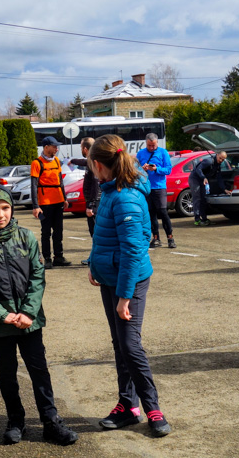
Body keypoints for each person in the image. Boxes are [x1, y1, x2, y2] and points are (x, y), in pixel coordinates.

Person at [0, 186, 79, 446]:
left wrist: (28, 312)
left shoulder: (26, 236)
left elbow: (37, 277)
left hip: (29, 322)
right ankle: (15, 421)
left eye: (5, 208)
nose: (0, 214)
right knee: (7, 372)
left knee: (39, 370)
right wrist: (2, 314)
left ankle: (51, 421)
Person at [87, 134, 172, 437]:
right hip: (111, 277)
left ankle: (152, 408)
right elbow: (105, 234)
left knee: (129, 344)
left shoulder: (125, 196)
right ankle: (127, 405)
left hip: (130, 280)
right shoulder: (111, 190)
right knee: (119, 343)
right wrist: (93, 263)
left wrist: (124, 296)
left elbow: (134, 251)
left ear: (98, 165)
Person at [31, 136, 71, 269]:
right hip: (45, 204)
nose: (56, 148)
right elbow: (33, 185)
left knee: (58, 230)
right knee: (46, 231)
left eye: (57, 146)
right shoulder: (37, 163)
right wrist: (36, 206)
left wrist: (64, 198)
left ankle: (58, 257)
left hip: (58, 201)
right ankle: (47, 258)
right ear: (46, 147)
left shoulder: (57, 162)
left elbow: (60, 181)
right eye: (54, 146)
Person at [136, 133, 174, 248]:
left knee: (163, 212)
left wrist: (157, 169)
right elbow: (135, 170)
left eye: (153, 145)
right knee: (150, 213)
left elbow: (168, 170)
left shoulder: (163, 152)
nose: (151, 147)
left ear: (157, 142)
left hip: (159, 187)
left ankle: (170, 238)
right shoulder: (141, 153)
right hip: (146, 187)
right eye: (149, 145)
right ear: (146, 143)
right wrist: (142, 169)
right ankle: (156, 238)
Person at [70, 137, 101, 265]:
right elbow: (82, 162)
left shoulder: (93, 162)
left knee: (95, 233)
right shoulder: (93, 160)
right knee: (97, 233)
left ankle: (95, 259)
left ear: (85, 149)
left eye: (81, 147)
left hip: (95, 203)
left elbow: (94, 184)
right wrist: (71, 161)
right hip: (97, 202)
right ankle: (94, 258)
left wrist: (91, 205)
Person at [189, 151, 231, 226]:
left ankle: (204, 219)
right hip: (195, 179)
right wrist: (204, 177)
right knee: (197, 198)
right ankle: (197, 220)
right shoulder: (208, 161)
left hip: (202, 180)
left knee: (203, 199)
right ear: (217, 155)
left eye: (223, 159)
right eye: (220, 158)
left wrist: (224, 189)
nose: (221, 160)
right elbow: (198, 169)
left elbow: (219, 178)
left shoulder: (218, 165)